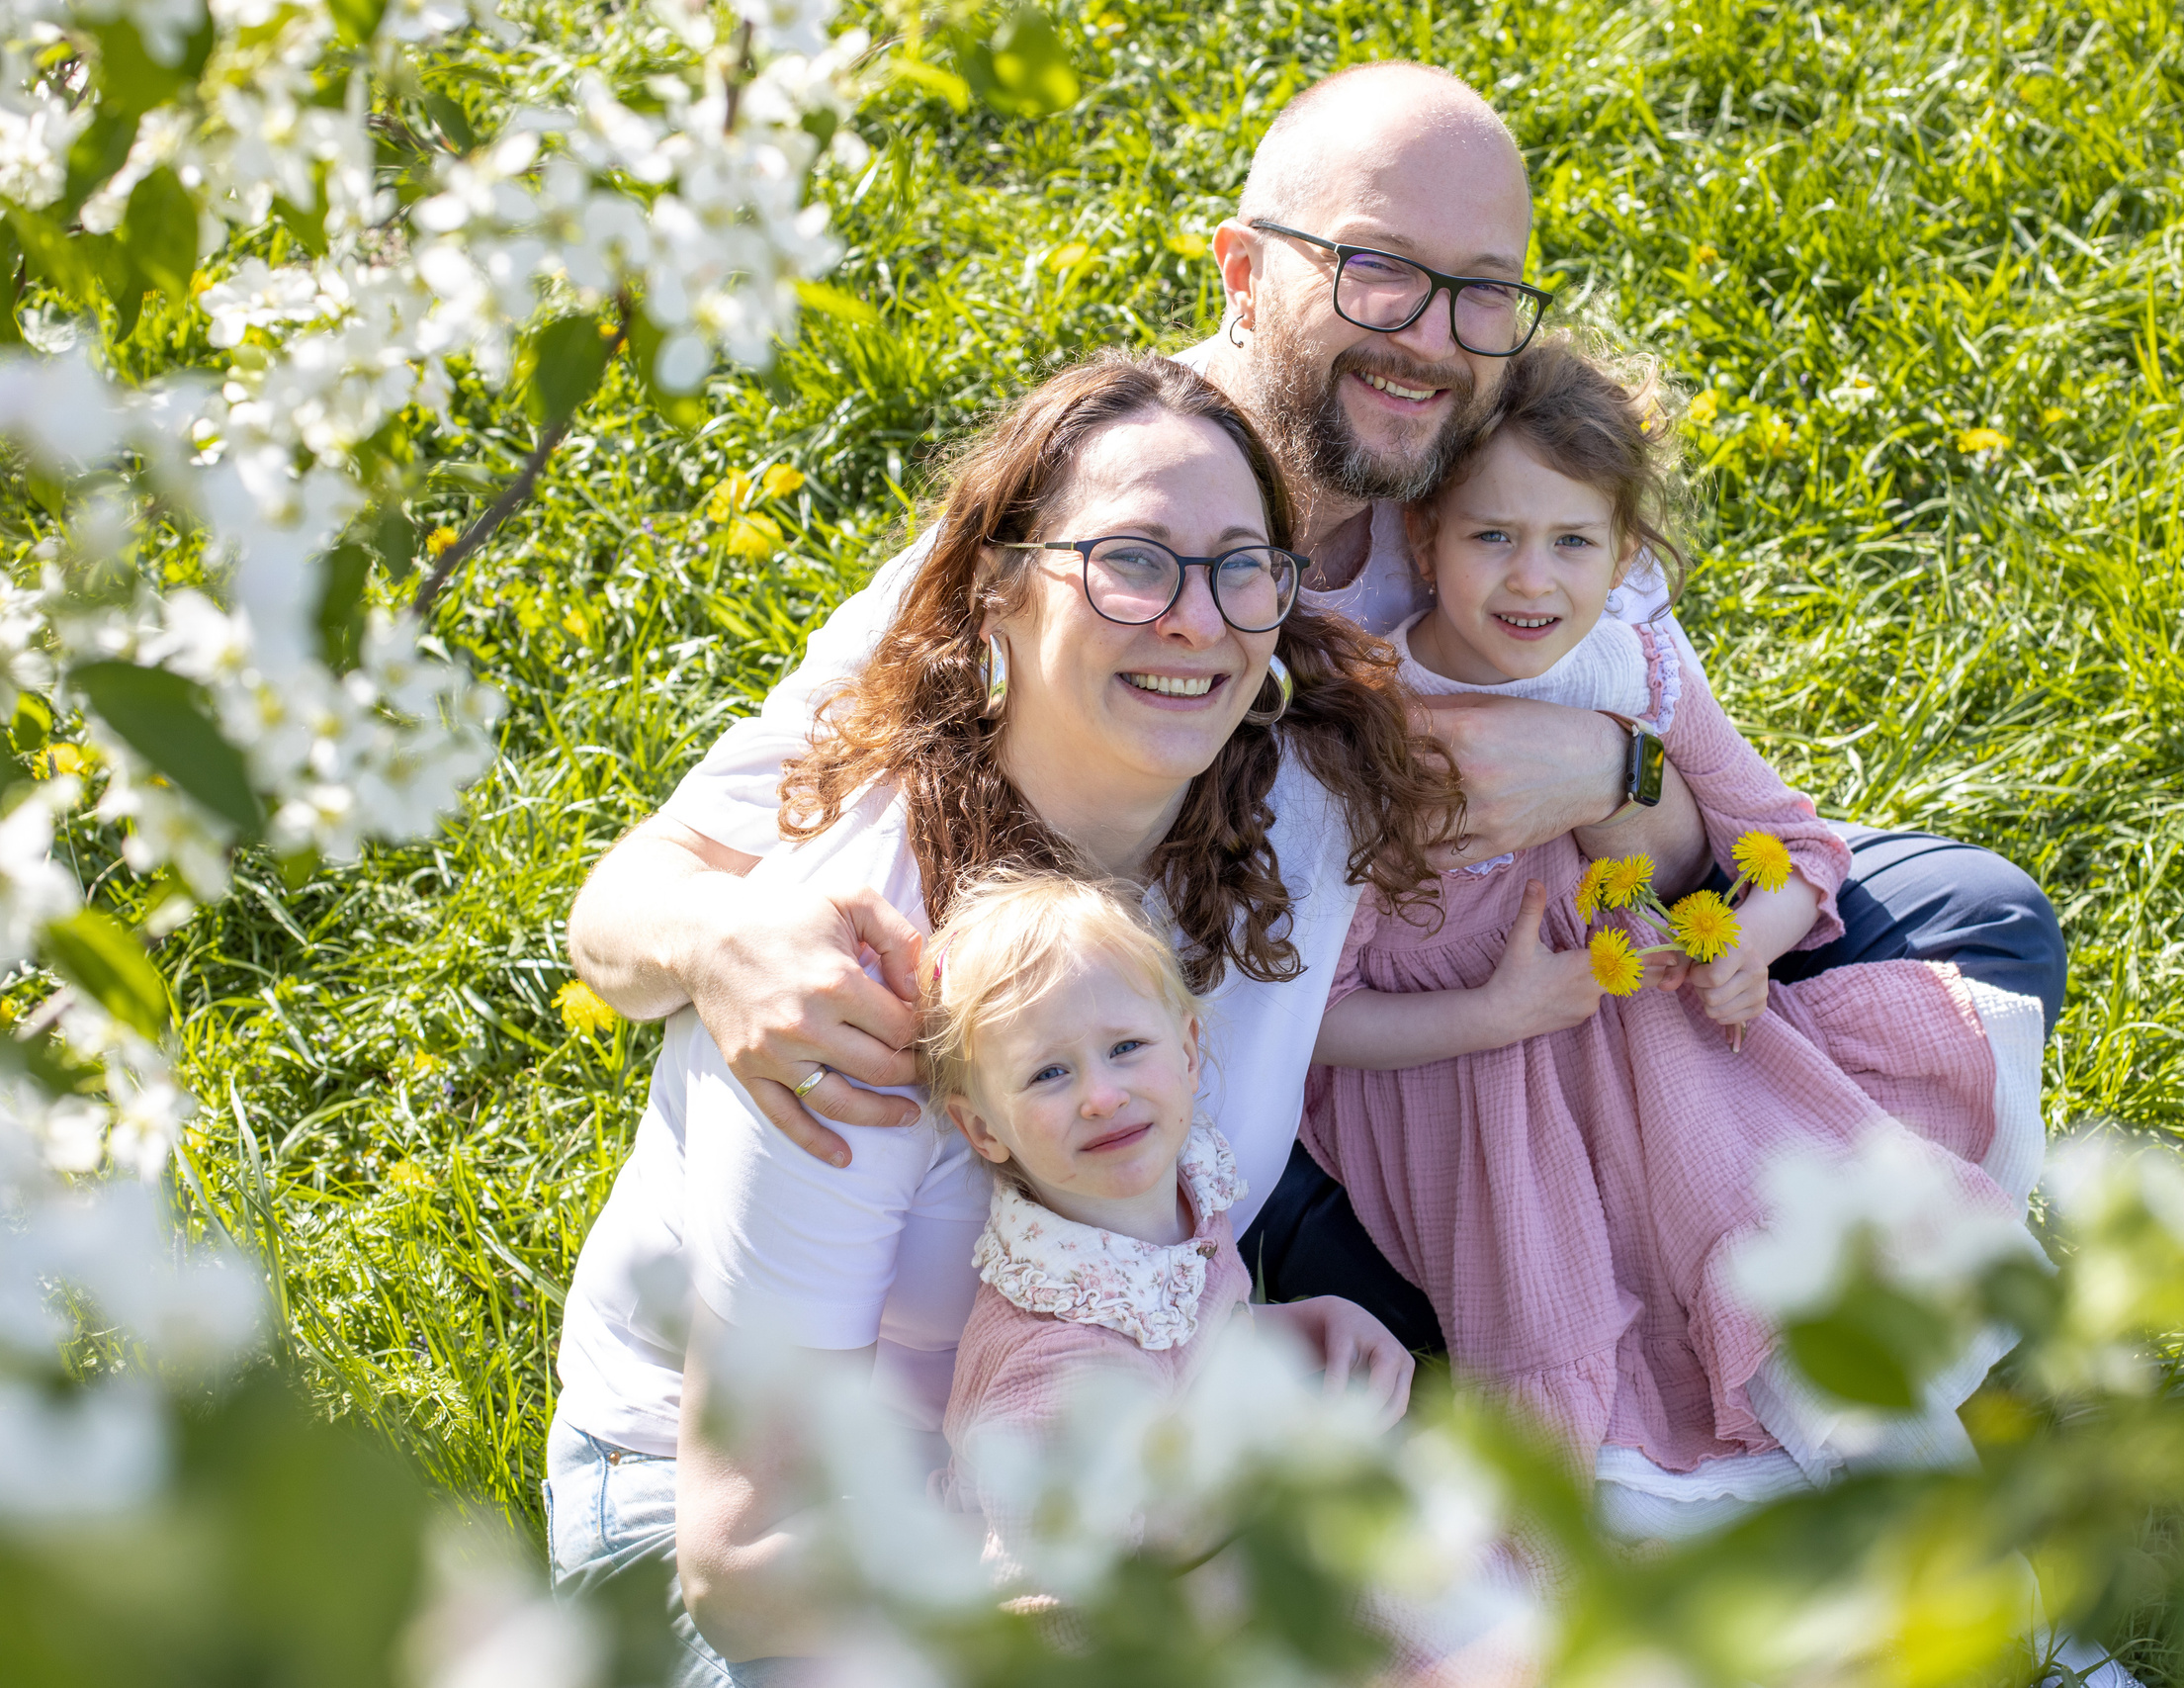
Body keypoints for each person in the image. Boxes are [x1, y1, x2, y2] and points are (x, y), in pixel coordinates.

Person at [564, 58, 2066, 1353]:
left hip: (1548, 941)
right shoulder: (1102, 525)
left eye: (1482, 292)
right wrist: (718, 945)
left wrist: (1605, 765)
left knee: (1976, 923)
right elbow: (629, 901)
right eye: (1376, 269)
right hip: (1307, 1056)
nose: (1429, 336)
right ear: (1242, 270)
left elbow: (1696, 822)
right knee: (1382, 1306)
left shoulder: (1497, 476)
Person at [543, 353, 1457, 1682]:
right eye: (1133, 562)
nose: (1197, 620)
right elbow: (749, 1556)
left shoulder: (1284, 833)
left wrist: (1229, 1347)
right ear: (1002, 593)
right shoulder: (863, 967)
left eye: (1240, 565)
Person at [1302, 339, 2050, 1539]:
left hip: (1659, 1048)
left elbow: (1794, 844)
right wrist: (1497, 1014)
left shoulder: (1629, 673)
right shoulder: (1364, 731)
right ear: (1425, 539)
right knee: (1592, 1381)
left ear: (1626, 555)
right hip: (1472, 1094)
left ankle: (2001, 1603)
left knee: (1776, 1251)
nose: (1528, 580)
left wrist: (1754, 941)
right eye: (1491, 536)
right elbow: (1315, 1017)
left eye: (1571, 543)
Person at [921, 871, 1412, 1558]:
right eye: (1048, 1073)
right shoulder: (1054, 1361)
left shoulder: (1184, 1189)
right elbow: (1061, 1597)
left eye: (1125, 1048)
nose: (1101, 1095)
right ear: (982, 1127)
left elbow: (1185, 1337)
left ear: (1186, 1052)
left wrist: (1310, 1320)